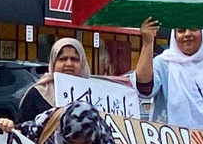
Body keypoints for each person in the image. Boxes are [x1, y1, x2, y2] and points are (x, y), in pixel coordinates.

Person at [14, 21, 157, 122]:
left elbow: (142, 84)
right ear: (53, 63)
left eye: (75, 59)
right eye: (63, 59)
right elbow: (22, 132)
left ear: (83, 63)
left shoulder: (98, 93)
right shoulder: (38, 94)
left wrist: (147, 43)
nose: (69, 64)